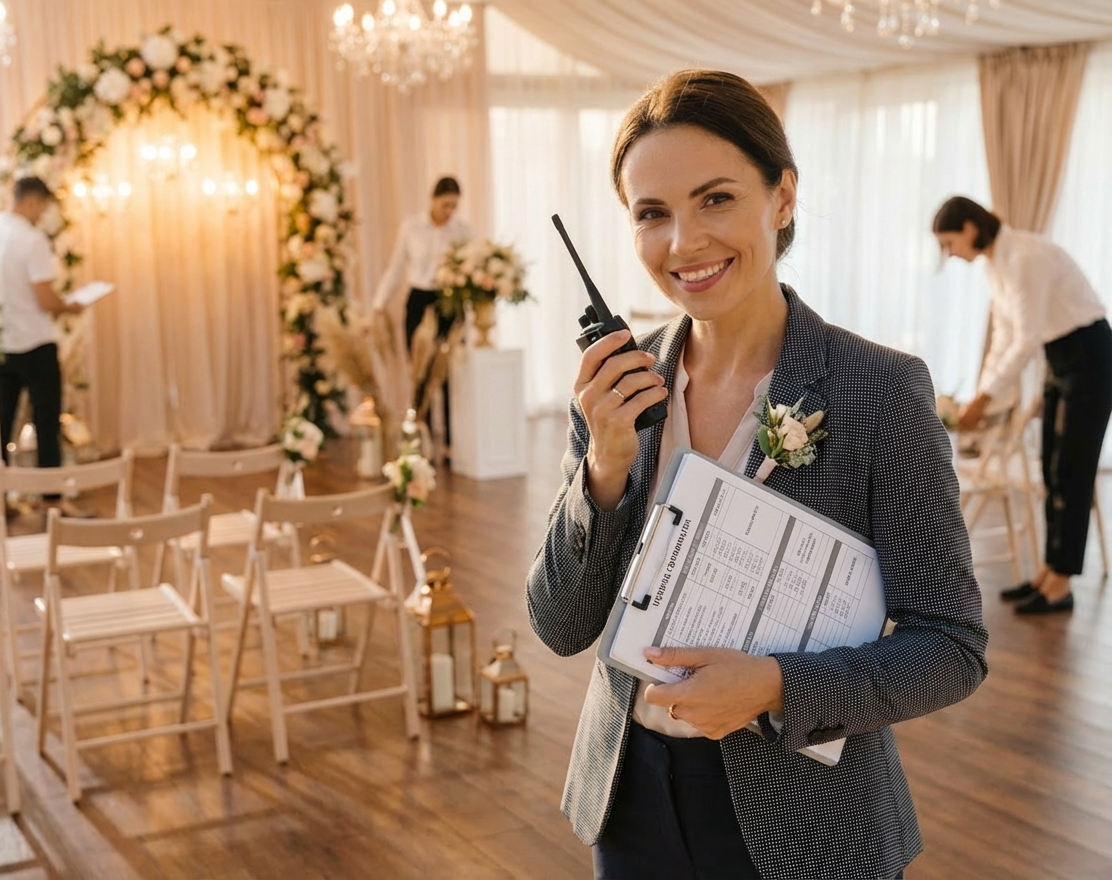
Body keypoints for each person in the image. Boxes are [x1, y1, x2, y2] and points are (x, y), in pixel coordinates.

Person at [527, 70, 988, 880]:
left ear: (782, 197)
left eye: (716, 199)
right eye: (652, 214)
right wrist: (602, 467)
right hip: (628, 796)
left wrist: (777, 686)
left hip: (807, 824)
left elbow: (951, 646)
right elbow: (561, 626)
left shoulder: (879, 390)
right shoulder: (618, 388)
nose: (683, 243)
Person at [933, 195, 1112, 614]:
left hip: (1090, 357)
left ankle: (1061, 585)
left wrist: (985, 398)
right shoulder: (997, 264)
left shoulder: (1025, 258)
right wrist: (982, 392)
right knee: (1051, 468)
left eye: (949, 242)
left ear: (971, 229)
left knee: (1072, 472)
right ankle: (1049, 573)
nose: (950, 254)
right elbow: (1004, 339)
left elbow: (1025, 338)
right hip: (1060, 357)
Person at [0, 175, 86, 514]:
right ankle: (53, 501)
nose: (42, 214)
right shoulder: (31, 239)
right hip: (35, 344)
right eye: (43, 207)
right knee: (47, 423)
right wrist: (70, 305)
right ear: (32, 202)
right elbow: (46, 299)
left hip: (0, 346)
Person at [373, 177, 472, 450]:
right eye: (445, 204)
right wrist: (379, 303)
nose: (449, 210)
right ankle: (422, 439)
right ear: (433, 199)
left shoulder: (462, 230)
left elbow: (473, 267)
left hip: (448, 301)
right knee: (419, 372)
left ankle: (452, 443)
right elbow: (395, 268)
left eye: (454, 205)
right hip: (418, 300)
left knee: (448, 372)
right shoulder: (412, 227)